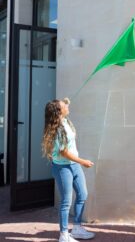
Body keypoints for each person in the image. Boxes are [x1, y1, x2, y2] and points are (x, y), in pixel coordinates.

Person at [42, 98, 95, 242]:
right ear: (59, 111)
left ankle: (77, 228)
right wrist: (83, 161)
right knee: (66, 201)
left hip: (73, 165)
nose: (67, 106)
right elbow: (64, 152)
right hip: (63, 167)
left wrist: (64, 102)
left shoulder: (65, 121)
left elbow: (65, 105)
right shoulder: (58, 128)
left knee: (82, 194)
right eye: (63, 106)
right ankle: (64, 235)